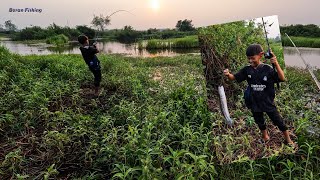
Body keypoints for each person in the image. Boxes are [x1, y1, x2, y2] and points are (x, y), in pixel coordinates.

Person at [223, 44, 295, 146]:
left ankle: (288, 140)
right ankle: (265, 137)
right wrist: (227, 74)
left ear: (261, 55)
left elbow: (282, 78)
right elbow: (233, 77)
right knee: (259, 121)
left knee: (278, 121)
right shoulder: (247, 69)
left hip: (268, 101)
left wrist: (276, 63)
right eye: (248, 58)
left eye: (253, 58)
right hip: (254, 101)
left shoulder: (268, 69)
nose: (250, 61)